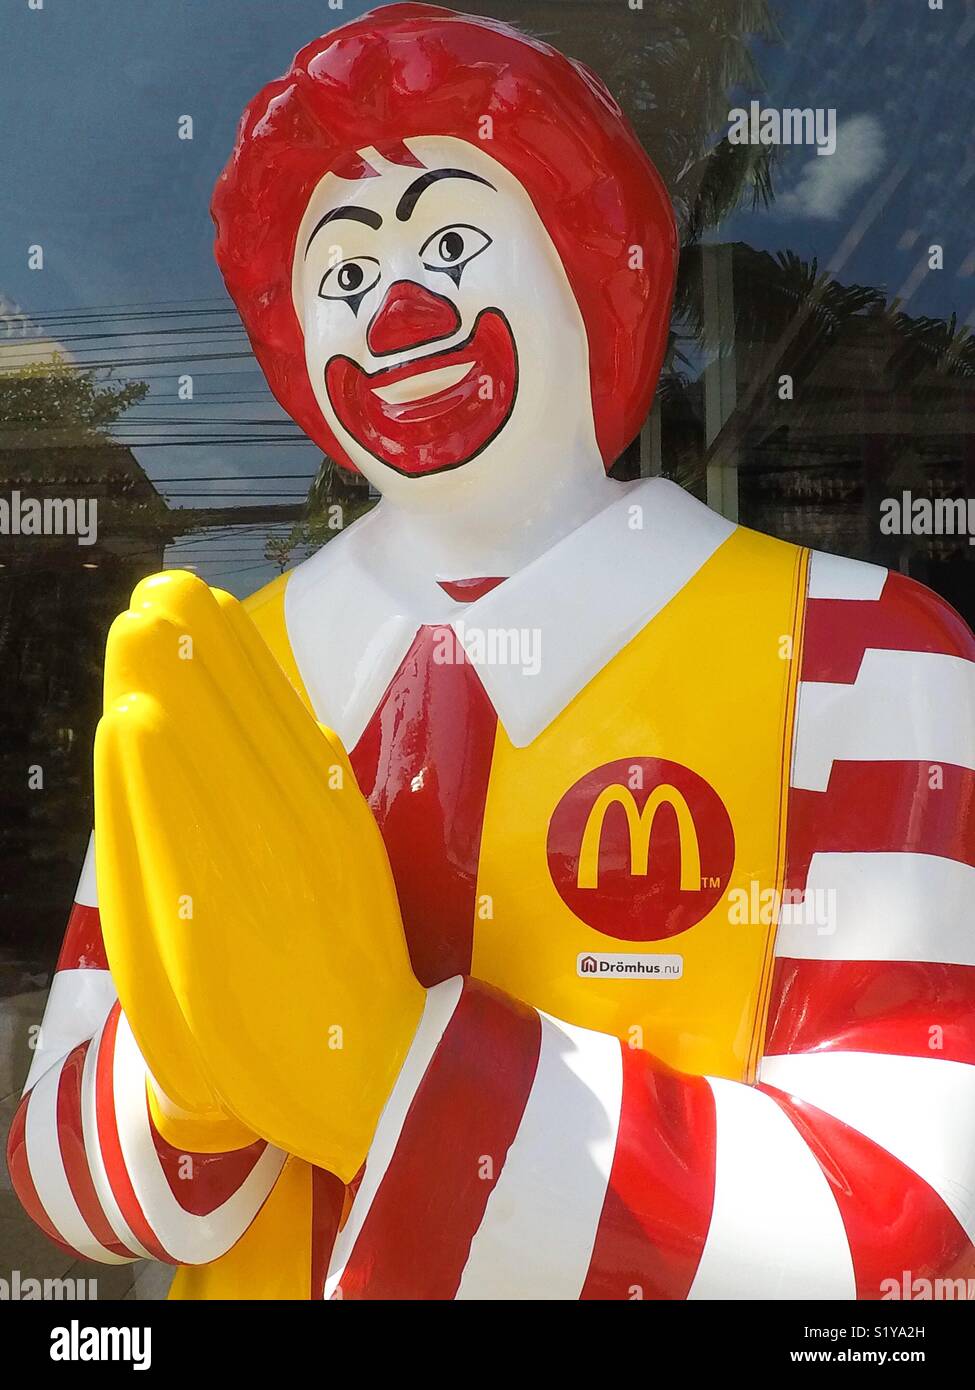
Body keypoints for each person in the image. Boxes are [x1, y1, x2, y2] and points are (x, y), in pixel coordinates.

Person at [10, 4, 975, 1300]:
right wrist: (193, 1068)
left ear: (590, 266)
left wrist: (386, 1076)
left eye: (452, 239)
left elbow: (912, 1234)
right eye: (343, 274)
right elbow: (58, 1168)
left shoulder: (867, 660)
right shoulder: (212, 675)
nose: (395, 309)